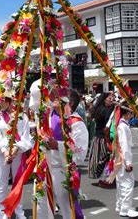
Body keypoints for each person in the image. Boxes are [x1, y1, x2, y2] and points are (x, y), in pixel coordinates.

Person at [37, 89, 89, 218]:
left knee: (67, 207)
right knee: (42, 205)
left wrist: (58, 145)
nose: (55, 96)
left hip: (62, 170)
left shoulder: (76, 123)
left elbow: (80, 153)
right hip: (45, 167)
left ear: (69, 103)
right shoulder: (49, 115)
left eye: (60, 95)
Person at [0, 91, 32, 219]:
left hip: (17, 153)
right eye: (0, 100)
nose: (1, 103)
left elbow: (26, 137)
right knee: (2, 184)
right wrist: (5, 151)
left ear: (11, 101)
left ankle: (18, 210)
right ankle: (2, 212)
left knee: (17, 183)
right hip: (2, 153)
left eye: (4, 100)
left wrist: (15, 149)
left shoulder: (22, 117)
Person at [115, 100, 138, 218]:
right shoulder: (123, 127)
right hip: (123, 158)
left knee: (121, 181)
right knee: (128, 182)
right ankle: (125, 208)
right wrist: (128, 162)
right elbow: (124, 145)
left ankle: (122, 205)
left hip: (120, 158)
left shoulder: (121, 125)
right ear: (128, 113)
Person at [88, 91, 114, 186]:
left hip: (102, 137)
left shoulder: (105, 109)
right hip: (102, 138)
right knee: (103, 158)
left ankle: (106, 178)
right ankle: (103, 179)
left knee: (106, 158)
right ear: (104, 100)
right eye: (109, 98)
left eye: (112, 98)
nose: (112, 100)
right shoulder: (103, 110)